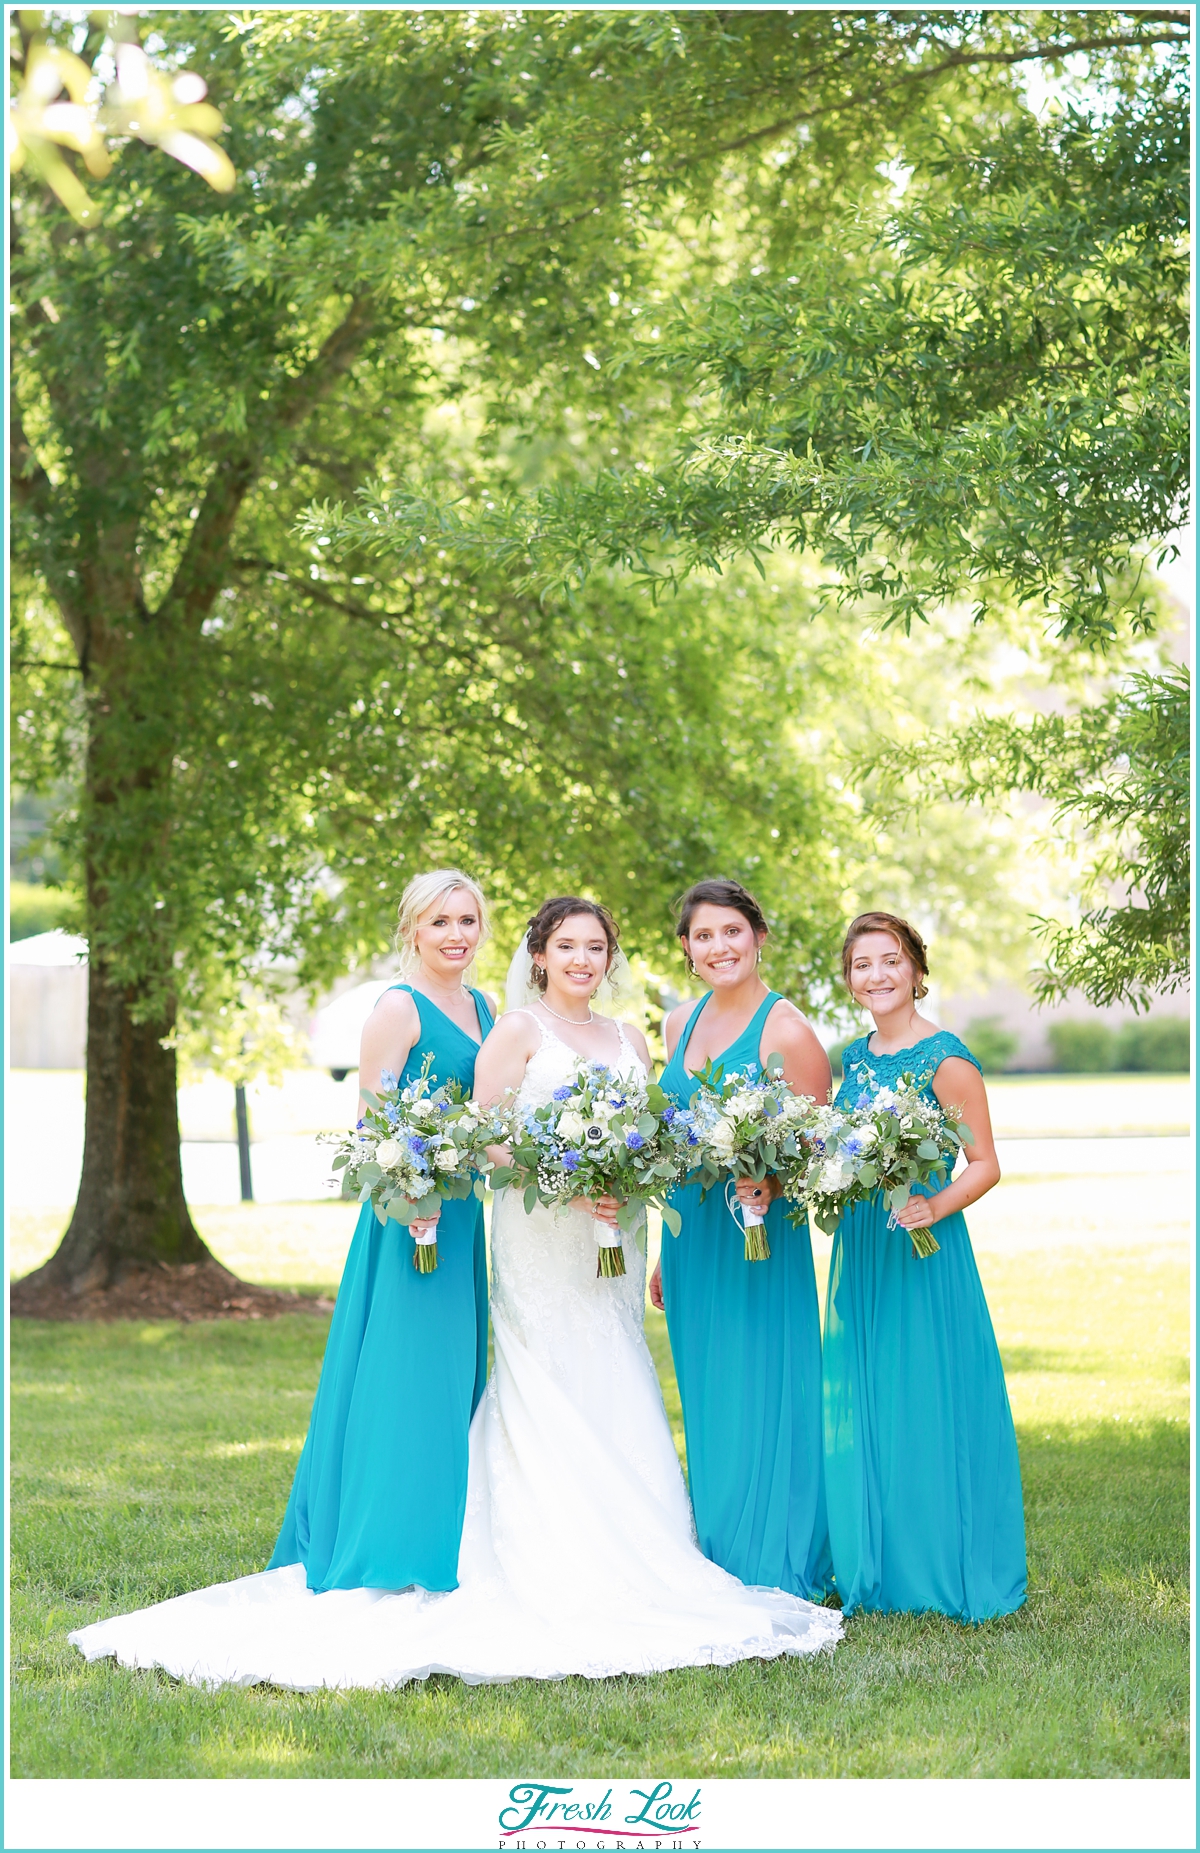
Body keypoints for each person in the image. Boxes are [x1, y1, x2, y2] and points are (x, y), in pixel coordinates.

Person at [69, 895, 841, 1690]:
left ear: (613, 958)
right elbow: (488, 1140)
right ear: (538, 955)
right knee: (544, 1372)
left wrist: (621, 1188)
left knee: (616, 1366)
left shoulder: (631, 1038)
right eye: (566, 944)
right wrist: (570, 1181)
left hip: (610, 1234)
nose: (582, 958)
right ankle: (547, 1548)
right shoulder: (513, 1030)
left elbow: (654, 1136)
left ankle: (648, 1542)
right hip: (541, 1233)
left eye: (597, 945)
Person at [822, 910, 1027, 1622]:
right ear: (849, 979)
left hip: (922, 1249)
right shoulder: (852, 1059)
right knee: (873, 1396)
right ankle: (876, 1562)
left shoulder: (947, 1060)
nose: (876, 975)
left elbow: (986, 1164)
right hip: (864, 1246)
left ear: (915, 968)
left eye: (890, 960)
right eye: (862, 964)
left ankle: (937, 1565)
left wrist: (933, 1207)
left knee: (926, 1397)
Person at [651, 878, 834, 1598]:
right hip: (695, 1238)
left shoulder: (786, 1030)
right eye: (703, 935)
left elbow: (824, 1153)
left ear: (758, 936)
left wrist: (775, 1185)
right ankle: (720, 1547)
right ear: (689, 950)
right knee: (707, 1390)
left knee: (766, 1385)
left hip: (760, 1238)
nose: (718, 946)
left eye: (732, 931)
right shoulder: (676, 1023)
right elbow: (670, 1143)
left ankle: (778, 1553)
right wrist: (667, 1247)